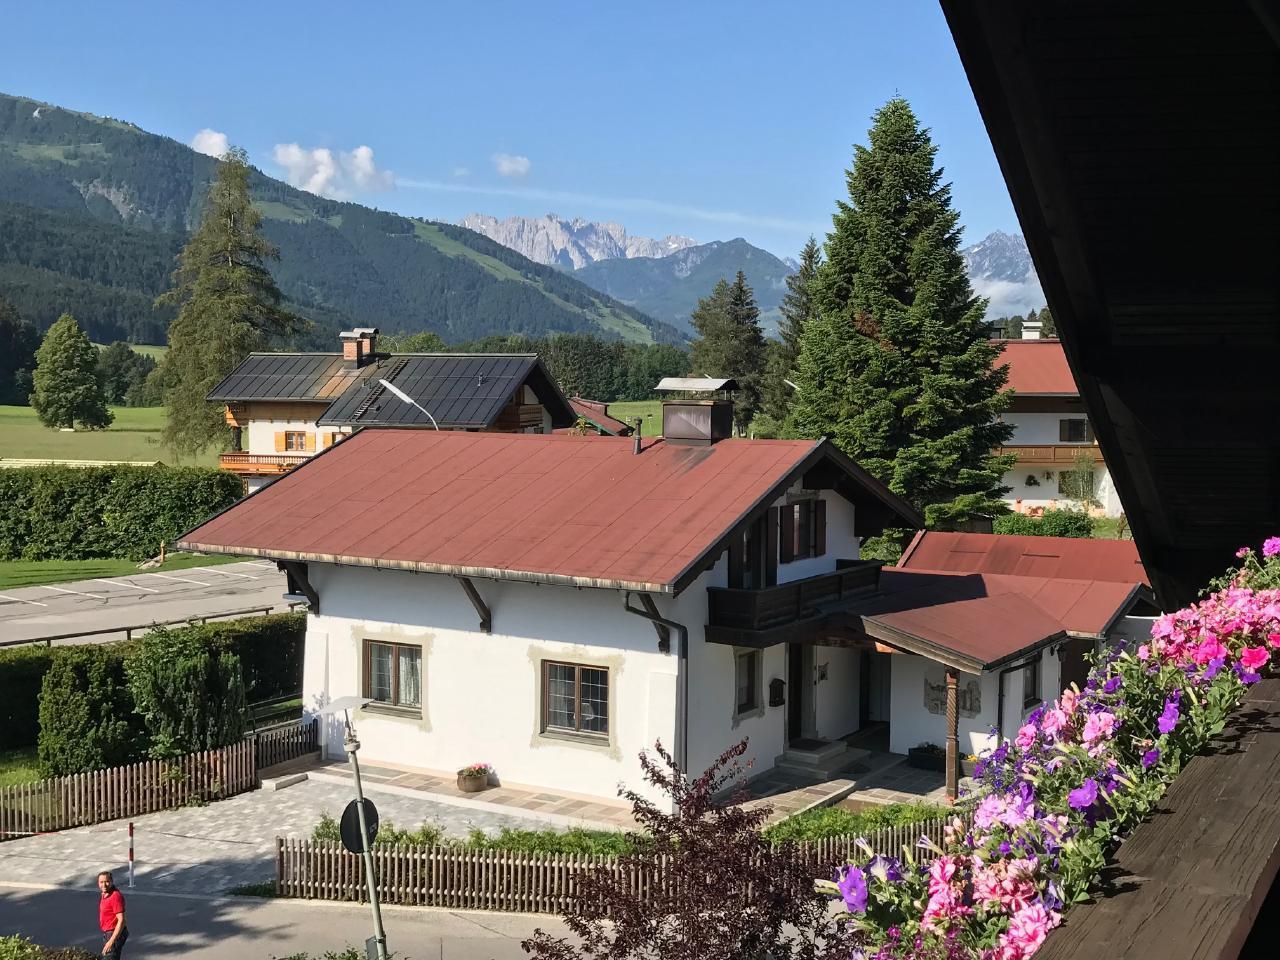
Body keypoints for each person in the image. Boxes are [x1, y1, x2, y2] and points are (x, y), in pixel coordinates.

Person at [97, 870, 128, 958]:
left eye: (107, 881)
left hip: (113, 933)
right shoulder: (105, 893)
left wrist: (111, 941)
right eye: (101, 882)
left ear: (111, 881)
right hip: (108, 933)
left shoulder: (115, 896)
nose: (104, 885)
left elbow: (121, 920)